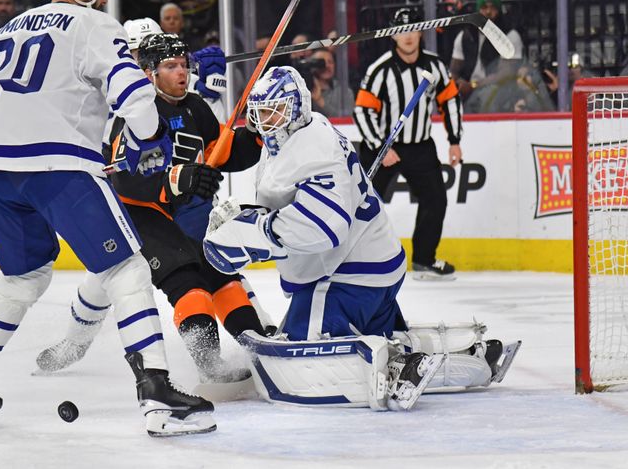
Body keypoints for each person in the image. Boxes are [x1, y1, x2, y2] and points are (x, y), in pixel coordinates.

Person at [0, 0, 215, 438]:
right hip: (57, 165)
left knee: (23, 278)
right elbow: (133, 96)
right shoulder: (93, 25)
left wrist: (2, 173)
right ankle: (157, 392)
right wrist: (150, 139)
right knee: (126, 267)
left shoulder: (2, 32)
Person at [202, 66, 518, 409]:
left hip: (347, 278)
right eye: (259, 112)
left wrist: (253, 233)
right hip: (371, 267)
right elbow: (297, 205)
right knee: (387, 337)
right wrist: (250, 219)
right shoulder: (303, 133)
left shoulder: (313, 150)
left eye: (273, 110)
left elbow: (324, 227)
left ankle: (396, 367)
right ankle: (467, 359)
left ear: (296, 108)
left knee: (299, 355)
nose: (264, 120)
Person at [36, 33, 269, 386]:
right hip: (142, 218)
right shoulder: (138, 114)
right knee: (188, 283)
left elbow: (224, 150)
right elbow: (125, 180)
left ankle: (258, 346)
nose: (182, 74)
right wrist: (178, 179)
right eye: (171, 67)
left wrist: (254, 131)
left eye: (183, 66)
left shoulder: (195, 107)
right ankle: (209, 361)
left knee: (222, 276)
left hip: (187, 217)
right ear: (148, 73)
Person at [353, 8, 463, 280]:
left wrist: (454, 140)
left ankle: (424, 260)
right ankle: (353, 258)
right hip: (382, 147)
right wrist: (381, 146)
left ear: (421, 31)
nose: (408, 36)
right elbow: (363, 110)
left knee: (435, 200)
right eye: (401, 30)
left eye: (413, 29)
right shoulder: (380, 70)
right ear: (393, 35)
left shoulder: (435, 66)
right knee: (364, 203)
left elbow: (449, 101)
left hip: (419, 146)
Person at [449, 0, 523, 106]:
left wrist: (474, 86)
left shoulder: (509, 36)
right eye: (484, 8)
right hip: (467, 91)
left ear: (499, 11)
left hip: (498, 92)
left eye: (493, 8)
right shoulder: (465, 36)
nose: (488, 12)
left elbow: (506, 74)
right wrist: (456, 84)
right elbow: (454, 70)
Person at [307, 48, 355, 118]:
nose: (327, 66)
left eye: (330, 62)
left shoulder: (345, 93)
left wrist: (319, 101)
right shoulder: (303, 90)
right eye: (321, 63)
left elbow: (347, 121)